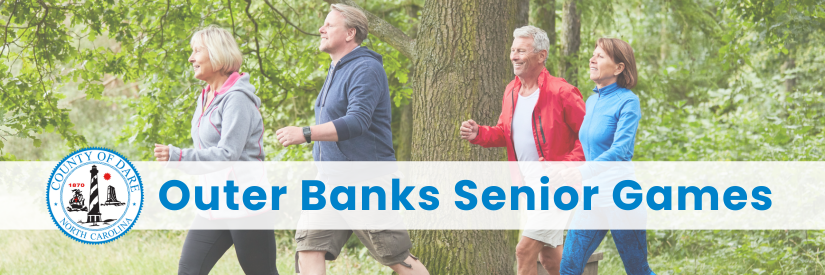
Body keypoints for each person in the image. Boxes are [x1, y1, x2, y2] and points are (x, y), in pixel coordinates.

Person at [275, 4, 429, 275]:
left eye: (329, 25)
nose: (321, 29)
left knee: (396, 256)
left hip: (364, 180)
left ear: (350, 33)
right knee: (308, 248)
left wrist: (306, 133)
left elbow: (357, 121)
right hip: (329, 181)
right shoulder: (336, 69)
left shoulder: (366, 68)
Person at [459, 25, 586, 275]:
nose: (514, 56)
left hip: (557, 188)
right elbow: (506, 133)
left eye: (521, 50)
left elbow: (590, 138)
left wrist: (567, 167)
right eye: (512, 50)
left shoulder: (562, 92)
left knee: (524, 250)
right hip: (528, 188)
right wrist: (479, 134)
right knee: (550, 258)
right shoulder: (512, 90)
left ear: (541, 55)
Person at [152, 26, 277, 275]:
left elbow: (228, 153)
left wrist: (179, 156)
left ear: (217, 55)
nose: (191, 58)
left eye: (197, 51)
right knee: (189, 270)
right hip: (213, 202)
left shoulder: (237, 99)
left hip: (244, 201)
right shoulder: (206, 95)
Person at [554, 38, 655, 275]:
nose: (592, 59)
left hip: (621, 197)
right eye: (593, 54)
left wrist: (581, 171)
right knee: (569, 266)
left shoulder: (628, 101)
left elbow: (621, 150)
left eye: (600, 56)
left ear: (619, 68)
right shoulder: (591, 100)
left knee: (637, 270)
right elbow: (586, 145)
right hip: (592, 198)